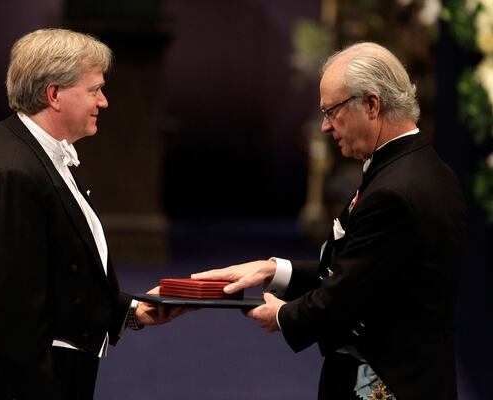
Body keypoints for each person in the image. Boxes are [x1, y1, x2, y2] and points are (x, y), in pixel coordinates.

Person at [193, 42, 466, 400]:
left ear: (371, 104)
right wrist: (273, 270)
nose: (324, 127)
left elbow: (347, 294)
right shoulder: (420, 167)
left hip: (387, 381)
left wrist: (285, 317)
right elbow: (366, 268)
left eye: (331, 111)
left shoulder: (395, 190)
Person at [0, 28, 181, 400]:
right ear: (54, 94)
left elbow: (57, 270)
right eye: (95, 89)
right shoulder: (13, 172)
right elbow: (13, 318)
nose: (105, 101)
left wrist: (128, 311)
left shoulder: (34, 151)